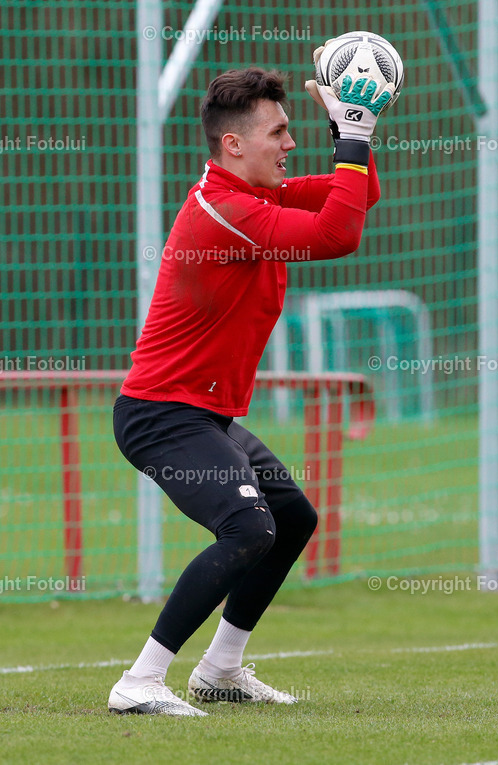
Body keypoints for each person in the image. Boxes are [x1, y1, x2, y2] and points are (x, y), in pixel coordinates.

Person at [107, 62, 394, 716]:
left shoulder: (253, 195)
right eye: (279, 132)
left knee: (292, 517)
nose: (290, 145)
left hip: (203, 414)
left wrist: (351, 129)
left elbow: (360, 195)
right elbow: (339, 234)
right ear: (233, 144)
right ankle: (141, 680)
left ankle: (221, 669)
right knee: (246, 528)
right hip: (161, 415)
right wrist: (349, 135)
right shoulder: (226, 209)